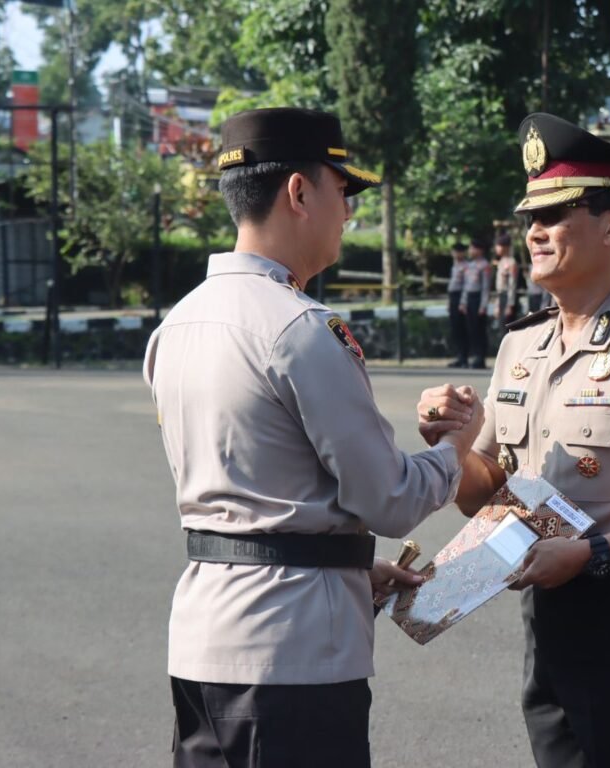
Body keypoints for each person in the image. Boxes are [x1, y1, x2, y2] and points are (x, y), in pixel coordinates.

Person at [142, 107, 485, 768]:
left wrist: (347, 562)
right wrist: (455, 447)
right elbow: (389, 499)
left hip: (204, 638)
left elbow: (255, 496)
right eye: (341, 191)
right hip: (292, 656)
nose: (347, 212)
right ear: (300, 194)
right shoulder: (300, 328)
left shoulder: (176, 325)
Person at [418, 112, 610, 768]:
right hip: (550, 614)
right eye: (531, 216)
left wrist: (591, 551)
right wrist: (455, 444)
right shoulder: (521, 345)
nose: (534, 231)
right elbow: (490, 491)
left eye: (557, 214)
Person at [461, 237, 492, 369]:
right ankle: (474, 355)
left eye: (472, 248)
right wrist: (463, 302)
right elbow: (466, 285)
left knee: (480, 330)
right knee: (471, 329)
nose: (470, 250)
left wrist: (483, 305)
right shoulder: (469, 266)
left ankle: (480, 357)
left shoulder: (485, 265)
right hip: (470, 298)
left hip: (478, 299)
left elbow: (486, 287)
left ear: (480, 250)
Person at [447, 241, 470, 367]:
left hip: (460, 296)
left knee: (462, 328)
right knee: (455, 328)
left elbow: (466, 285)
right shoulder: (455, 266)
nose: (455, 254)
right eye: (454, 251)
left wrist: (463, 302)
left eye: (458, 251)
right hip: (453, 297)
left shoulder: (466, 266)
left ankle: (464, 357)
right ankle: (459, 356)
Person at [493, 233, 521, 328]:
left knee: (507, 328)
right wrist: (497, 305)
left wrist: (510, 305)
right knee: (501, 327)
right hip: (501, 296)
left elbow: (512, 285)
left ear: (505, 247)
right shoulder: (501, 261)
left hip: (508, 298)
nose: (497, 248)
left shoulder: (512, 263)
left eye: (499, 246)